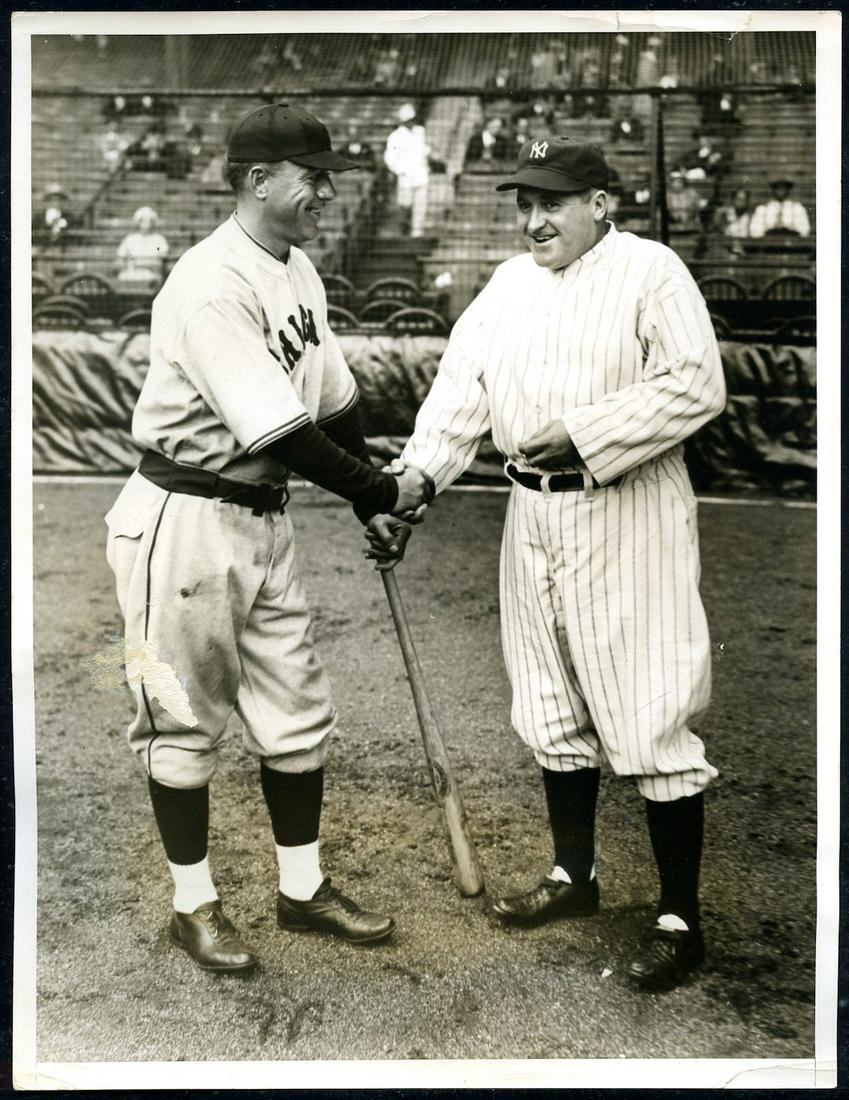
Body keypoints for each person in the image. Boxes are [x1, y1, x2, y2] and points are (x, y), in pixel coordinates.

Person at [372, 137, 726, 992]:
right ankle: (575, 876)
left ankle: (679, 918)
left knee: (648, 708)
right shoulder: (506, 284)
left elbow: (696, 384)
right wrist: (415, 483)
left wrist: (585, 429)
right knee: (546, 700)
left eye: (554, 201)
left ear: (601, 203)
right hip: (529, 511)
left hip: (626, 504)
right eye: (524, 202)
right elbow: (460, 394)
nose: (533, 219)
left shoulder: (651, 272)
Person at [103, 102, 433, 975]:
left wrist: (371, 505)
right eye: (313, 176)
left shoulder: (296, 269)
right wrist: (381, 486)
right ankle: (193, 906)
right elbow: (275, 431)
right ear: (258, 180)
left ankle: (300, 891)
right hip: (181, 521)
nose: (326, 190)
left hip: (262, 520)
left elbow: (332, 402)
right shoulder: (210, 282)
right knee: (181, 720)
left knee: (297, 715)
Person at [383, 103, 431, 238]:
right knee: (405, 205)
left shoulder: (420, 132)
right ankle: (403, 230)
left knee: (421, 205)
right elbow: (389, 158)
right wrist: (401, 171)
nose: (412, 123)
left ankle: (417, 233)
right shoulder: (395, 136)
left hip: (421, 174)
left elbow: (424, 149)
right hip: (406, 176)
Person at [115, 206, 170, 286]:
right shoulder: (130, 239)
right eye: (143, 221)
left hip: (151, 273)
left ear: (153, 223)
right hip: (132, 273)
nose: (146, 224)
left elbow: (163, 258)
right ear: (139, 223)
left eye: (149, 221)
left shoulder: (159, 239)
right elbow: (120, 257)